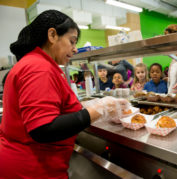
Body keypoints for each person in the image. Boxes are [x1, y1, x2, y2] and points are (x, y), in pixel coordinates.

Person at [0, 10, 129, 179]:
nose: (75, 49)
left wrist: (84, 108)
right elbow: (43, 129)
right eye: (72, 41)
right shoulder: (38, 68)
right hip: (32, 169)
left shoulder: (35, 63)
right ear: (52, 35)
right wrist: (98, 109)